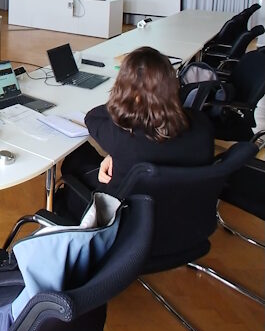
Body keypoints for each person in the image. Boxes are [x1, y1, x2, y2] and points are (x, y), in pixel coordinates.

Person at [58, 46, 214, 218]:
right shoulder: (202, 124)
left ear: (129, 92)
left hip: (124, 219)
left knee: (75, 157)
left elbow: (93, 117)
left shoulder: (123, 137)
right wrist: (114, 156)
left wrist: (122, 99)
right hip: (182, 215)